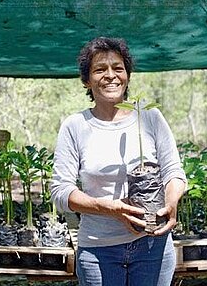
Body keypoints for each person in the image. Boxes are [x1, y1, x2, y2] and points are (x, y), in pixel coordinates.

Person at [50, 37, 187, 286]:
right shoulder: (76, 126)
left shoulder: (150, 116)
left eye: (118, 68)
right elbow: (61, 192)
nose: (110, 75)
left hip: (152, 245)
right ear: (86, 80)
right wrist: (110, 209)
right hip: (98, 250)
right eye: (100, 69)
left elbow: (174, 172)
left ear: (128, 75)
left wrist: (171, 202)